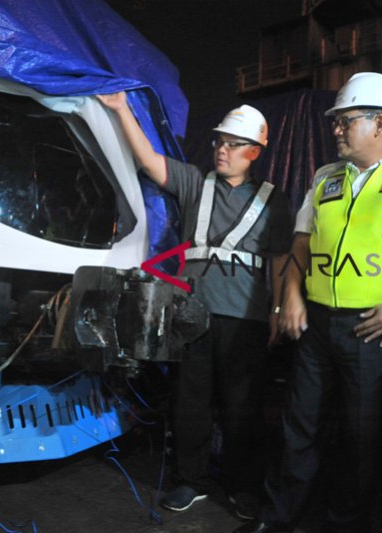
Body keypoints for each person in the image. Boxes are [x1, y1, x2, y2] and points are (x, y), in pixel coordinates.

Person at [237, 72, 382, 533]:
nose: (335, 129)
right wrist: (291, 299)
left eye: (345, 121)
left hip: (374, 329)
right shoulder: (324, 178)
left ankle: (345, 523)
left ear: (379, 123)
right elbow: (301, 243)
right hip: (317, 324)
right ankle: (283, 520)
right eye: (335, 122)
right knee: (299, 427)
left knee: (361, 437)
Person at [97, 92, 293, 519]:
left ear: (254, 152)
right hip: (190, 315)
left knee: (242, 408)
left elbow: (280, 261)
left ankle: (243, 487)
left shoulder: (274, 200)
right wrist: (120, 109)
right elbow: (148, 159)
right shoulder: (193, 182)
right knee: (190, 402)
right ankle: (192, 481)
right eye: (219, 141)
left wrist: (278, 311)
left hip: (247, 318)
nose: (222, 149)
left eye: (233, 143)